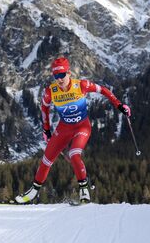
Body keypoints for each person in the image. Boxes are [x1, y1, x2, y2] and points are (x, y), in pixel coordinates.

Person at [15, 57, 131, 204]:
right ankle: (33, 192)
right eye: (56, 76)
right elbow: (44, 108)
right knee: (46, 160)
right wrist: (46, 130)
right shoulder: (51, 91)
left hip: (82, 127)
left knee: (74, 154)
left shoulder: (81, 85)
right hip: (64, 128)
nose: (59, 79)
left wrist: (120, 105)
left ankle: (84, 189)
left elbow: (103, 90)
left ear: (69, 73)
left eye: (62, 75)